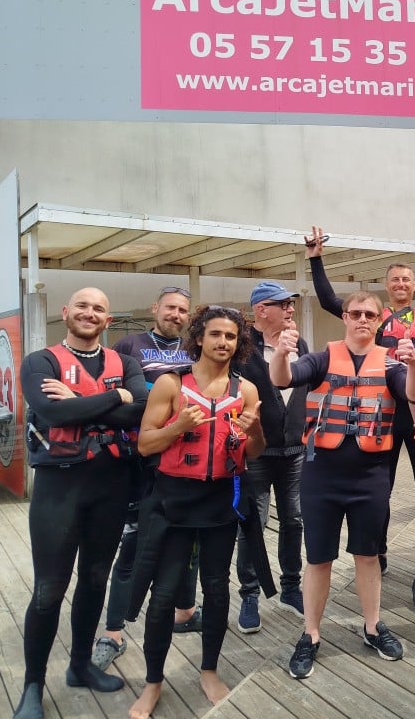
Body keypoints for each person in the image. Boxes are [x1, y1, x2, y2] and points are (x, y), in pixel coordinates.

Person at [270, 291, 415, 678]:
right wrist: (281, 352)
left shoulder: (391, 363)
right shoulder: (322, 359)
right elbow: (283, 377)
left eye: (370, 314)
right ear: (345, 317)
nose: (362, 320)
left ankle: (372, 627)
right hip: (321, 475)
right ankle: (311, 634)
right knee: (318, 558)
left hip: (371, 477)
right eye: (356, 313)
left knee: (367, 555)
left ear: (378, 320)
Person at [13, 288, 147, 719]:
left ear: (108, 320)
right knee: (49, 590)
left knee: (94, 580)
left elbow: (140, 412)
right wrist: (115, 398)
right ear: (66, 312)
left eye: (99, 309)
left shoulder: (125, 363)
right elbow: (52, 413)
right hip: (59, 488)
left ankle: (80, 665)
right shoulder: (40, 362)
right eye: (82, 306)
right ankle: (33, 685)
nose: (90, 313)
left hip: (111, 487)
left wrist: (77, 401)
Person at [127, 305, 266, 719]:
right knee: (163, 595)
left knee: (217, 589)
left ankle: (209, 671)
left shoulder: (246, 390)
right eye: (216, 334)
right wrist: (177, 427)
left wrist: (254, 430)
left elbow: (253, 452)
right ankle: (153, 682)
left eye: (231, 337)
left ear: (239, 344)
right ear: (199, 338)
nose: (223, 342)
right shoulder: (171, 384)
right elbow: (145, 445)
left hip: (220, 502)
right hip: (173, 503)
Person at [304, 227, 415, 615]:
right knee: (383, 489)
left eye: (406, 279)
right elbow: (328, 299)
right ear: (386, 285)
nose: (401, 284)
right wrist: (315, 259)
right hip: (377, 414)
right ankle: (375, 551)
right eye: (395, 279)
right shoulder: (372, 316)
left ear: (414, 285)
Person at [93, 286, 197, 673]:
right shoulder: (129, 345)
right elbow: (113, 392)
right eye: (170, 307)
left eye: (182, 310)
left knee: (188, 542)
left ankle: (186, 613)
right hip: (139, 461)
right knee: (133, 547)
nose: (175, 314)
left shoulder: (194, 348)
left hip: (184, 461)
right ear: (155, 308)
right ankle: (113, 633)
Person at [234, 281, 308, 634]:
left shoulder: (299, 343)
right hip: (257, 452)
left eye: (291, 303)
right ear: (262, 309)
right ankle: (250, 593)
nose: (291, 309)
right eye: (283, 304)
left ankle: (291, 587)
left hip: (295, 451)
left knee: (294, 520)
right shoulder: (242, 347)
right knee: (254, 523)